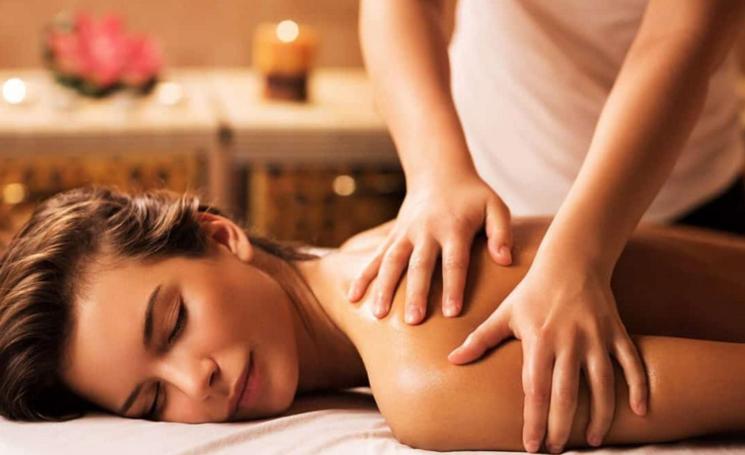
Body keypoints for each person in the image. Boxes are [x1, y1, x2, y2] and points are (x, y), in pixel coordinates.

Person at [2, 187, 745, 454]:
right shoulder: (364, 252)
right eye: (151, 400)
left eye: (171, 325)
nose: (195, 379)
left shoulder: (423, 378)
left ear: (220, 234)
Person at [354, 2, 745, 451]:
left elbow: (682, 33)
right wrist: (435, 172)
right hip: (496, 203)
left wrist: (579, 257)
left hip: (682, 194)